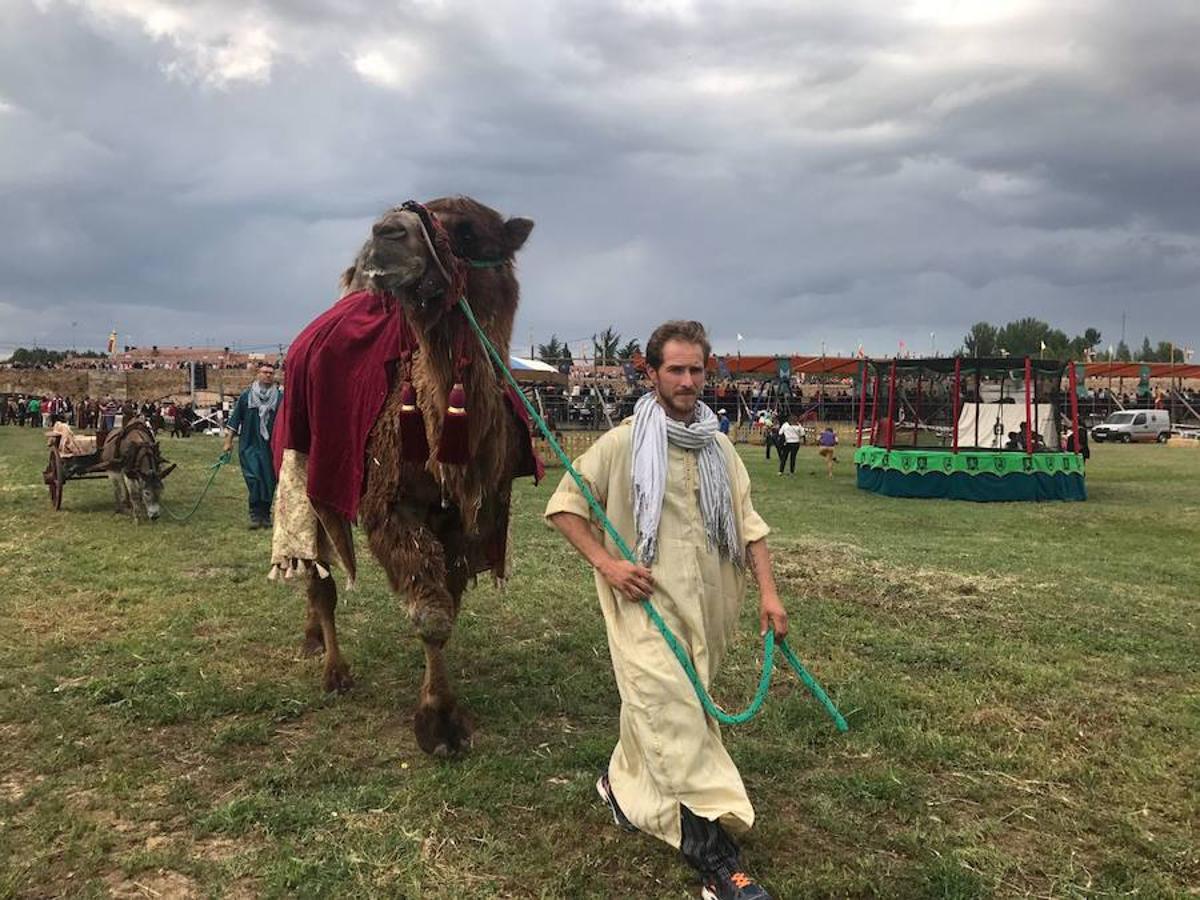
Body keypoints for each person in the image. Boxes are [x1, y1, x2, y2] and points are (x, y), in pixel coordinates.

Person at [546, 320, 788, 900]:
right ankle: (716, 857)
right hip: (643, 607)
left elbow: (749, 525)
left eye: (695, 369)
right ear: (650, 373)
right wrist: (609, 565)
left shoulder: (720, 446)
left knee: (664, 709)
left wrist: (769, 594)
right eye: (674, 369)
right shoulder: (623, 443)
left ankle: (618, 783)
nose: (686, 380)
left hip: (706, 607)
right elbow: (565, 506)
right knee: (675, 716)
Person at [224, 362, 283, 528]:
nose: (268, 375)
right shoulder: (246, 396)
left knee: (269, 480)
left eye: (271, 373)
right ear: (258, 373)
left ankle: (265, 514)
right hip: (250, 444)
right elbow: (235, 420)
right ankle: (255, 513)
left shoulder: (279, 398)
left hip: (271, 447)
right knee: (254, 477)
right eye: (265, 372)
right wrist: (228, 442)